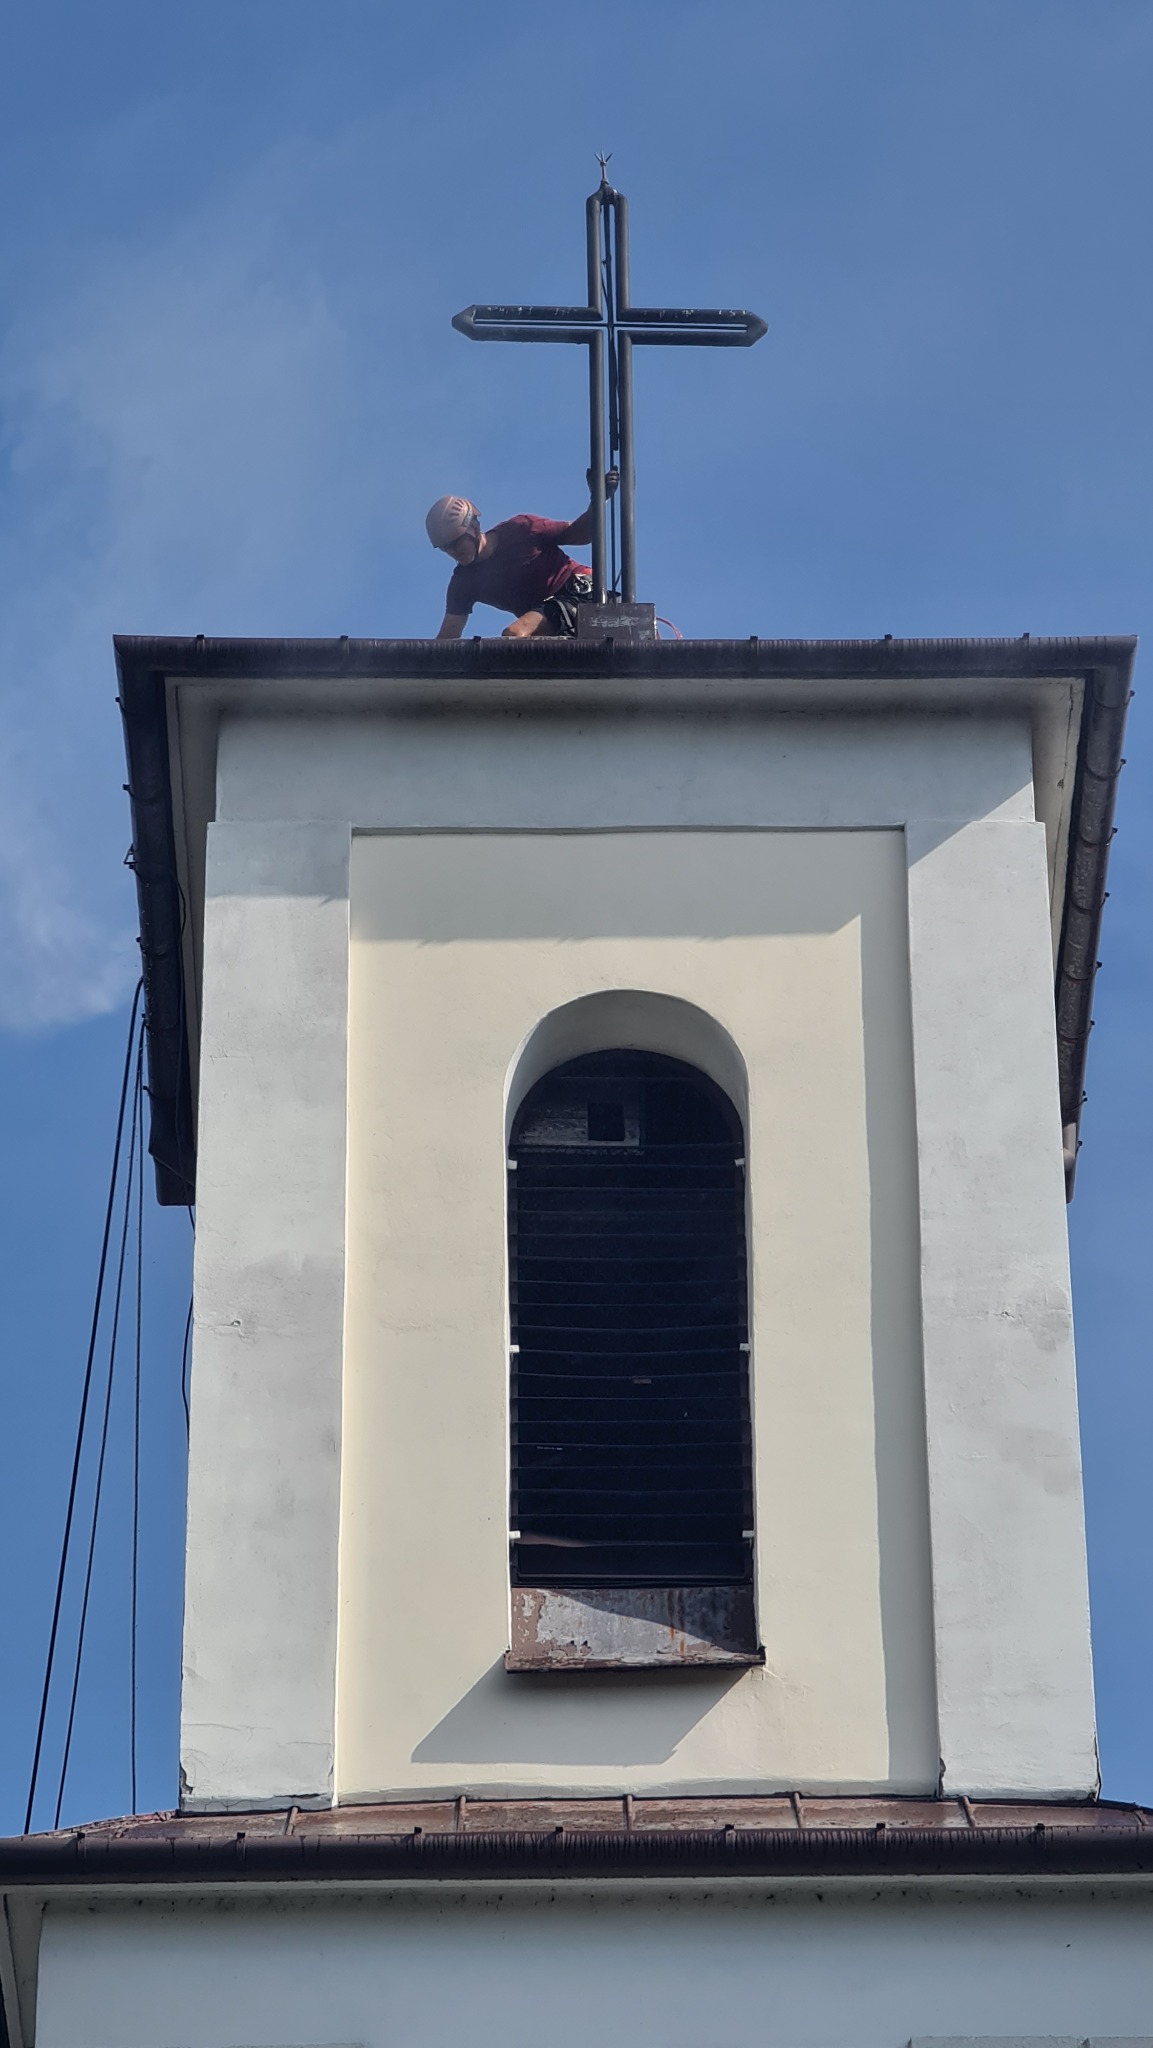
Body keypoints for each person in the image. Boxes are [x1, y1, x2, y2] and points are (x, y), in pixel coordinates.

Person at [427, 474, 618, 639]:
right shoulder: (463, 583)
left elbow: (580, 534)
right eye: (445, 548)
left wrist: (598, 501)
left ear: (474, 528)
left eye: (456, 543)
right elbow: (447, 638)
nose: (452, 552)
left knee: (515, 634)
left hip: (581, 592)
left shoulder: (522, 529)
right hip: (547, 615)